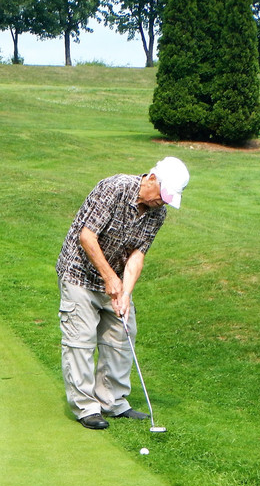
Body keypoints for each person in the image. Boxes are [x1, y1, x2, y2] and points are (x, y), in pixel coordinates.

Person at [56, 156, 189, 430]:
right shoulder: (114, 188)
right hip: (79, 274)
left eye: (168, 199)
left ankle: (113, 402)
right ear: (152, 178)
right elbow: (87, 236)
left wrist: (125, 293)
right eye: (162, 195)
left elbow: (137, 255)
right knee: (80, 340)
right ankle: (86, 408)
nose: (162, 202)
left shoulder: (157, 213)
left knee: (122, 332)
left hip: (114, 278)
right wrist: (109, 278)